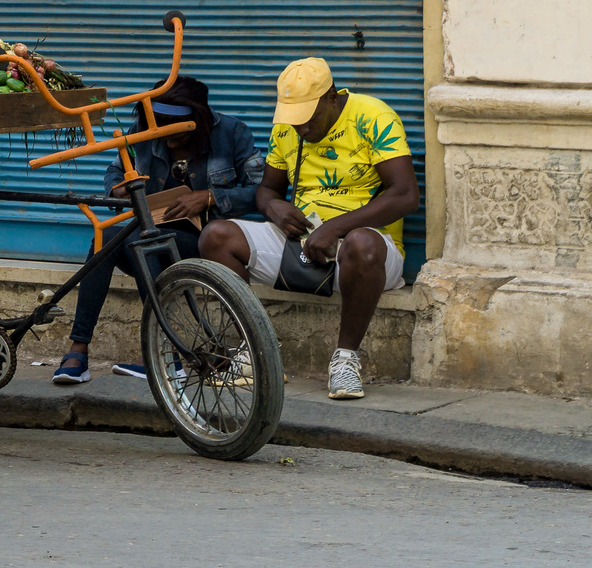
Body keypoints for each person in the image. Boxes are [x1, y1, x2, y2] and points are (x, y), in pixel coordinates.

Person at [198, 57, 419, 400]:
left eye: (308, 118)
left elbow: (405, 195)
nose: (300, 128)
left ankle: (345, 360)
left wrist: (335, 228)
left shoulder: (373, 116)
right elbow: (267, 190)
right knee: (216, 236)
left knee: (361, 243)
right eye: (293, 119)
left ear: (332, 97)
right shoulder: (288, 125)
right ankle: (253, 352)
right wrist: (275, 208)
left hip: (369, 250)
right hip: (305, 241)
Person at [52, 77, 264, 385]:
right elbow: (115, 168)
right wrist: (118, 186)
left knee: (141, 240)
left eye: (173, 127)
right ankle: (79, 348)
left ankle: (168, 352)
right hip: (153, 234)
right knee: (106, 241)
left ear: (196, 121)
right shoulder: (144, 131)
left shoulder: (232, 133)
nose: (165, 136)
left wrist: (208, 197)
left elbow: (262, 191)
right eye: (159, 124)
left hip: (204, 241)